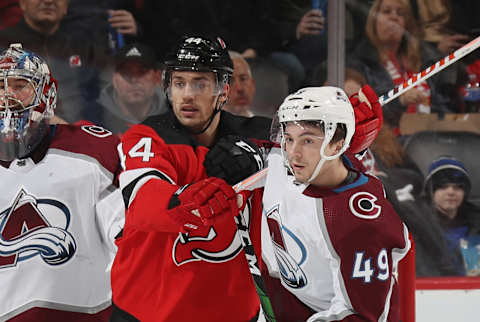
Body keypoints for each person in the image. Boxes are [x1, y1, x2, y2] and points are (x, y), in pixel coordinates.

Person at [109, 35, 272, 322]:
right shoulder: (147, 136)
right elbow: (143, 202)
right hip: (148, 310)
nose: (187, 94)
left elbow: (314, 163)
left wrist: (344, 141)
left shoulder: (262, 135)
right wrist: (190, 199)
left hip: (231, 312)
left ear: (223, 90)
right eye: (179, 82)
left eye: (200, 83)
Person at [259, 86, 411, 321]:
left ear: (338, 145)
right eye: (289, 139)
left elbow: (361, 316)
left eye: (307, 140)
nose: (293, 153)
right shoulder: (287, 165)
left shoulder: (360, 221)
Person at [0, 44, 124, 320]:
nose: (7, 96)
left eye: (20, 85)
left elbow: (129, 242)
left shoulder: (93, 150)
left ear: (48, 93)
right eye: (0, 87)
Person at [347, 0, 462, 128]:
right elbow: (364, 111)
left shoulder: (423, 59)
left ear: (406, 25)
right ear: (373, 23)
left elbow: (444, 104)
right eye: (386, 11)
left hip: (429, 134)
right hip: (388, 140)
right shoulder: (358, 64)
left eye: (400, 13)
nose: (394, 17)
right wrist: (400, 100)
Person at [0, 0, 108, 123]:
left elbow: (94, 94)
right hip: (19, 129)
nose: (48, 1)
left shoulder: (81, 44)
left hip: (77, 130)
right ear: (23, 3)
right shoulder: (3, 44)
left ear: (66, 7)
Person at [85, 42, 168, 134]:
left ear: (157, 77)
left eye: (142, 72)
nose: (134, 80)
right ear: (114, 79)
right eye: (126, 73)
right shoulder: (91, 119)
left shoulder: (173, 118)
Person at [223, 50, 256, 117]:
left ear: (253, 84)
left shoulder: (265, 125)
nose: (240, 88)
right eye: (230, 81)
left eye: (243, 79)